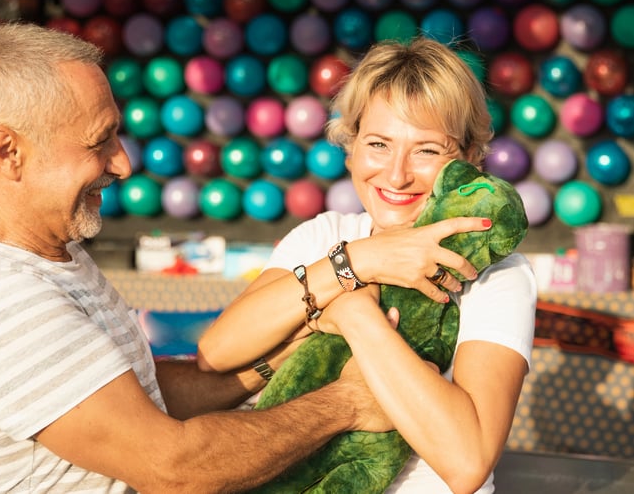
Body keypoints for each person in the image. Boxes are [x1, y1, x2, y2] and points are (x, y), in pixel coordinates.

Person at [0, 23, 389, 493]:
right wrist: (345, 403)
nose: (123, 163)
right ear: (8, 151)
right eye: (99, 141)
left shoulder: (48, 257)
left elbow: (141, 397)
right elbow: (175, 467)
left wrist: (283, 357)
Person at [197, 37, 537, 494]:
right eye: (379, 144)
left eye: (428, 151)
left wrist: (356, 316)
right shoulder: (324, 235)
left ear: (471, 161)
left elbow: (467, 461)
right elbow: (216, 353)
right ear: (350, 144)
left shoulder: (496, 274)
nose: (396, 175)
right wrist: (359, 261)